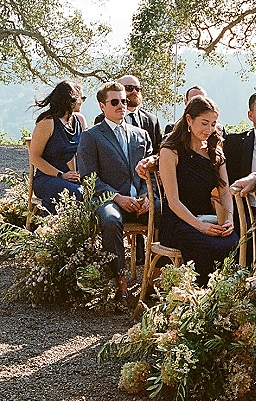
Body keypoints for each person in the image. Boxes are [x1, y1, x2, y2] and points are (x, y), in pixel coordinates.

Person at [78, 82, 154, 304]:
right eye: (115, 102)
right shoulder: (91, 137)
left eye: (124, 101)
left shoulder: (141, 134)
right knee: (110, 219)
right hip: (109, 199)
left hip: (140, 198)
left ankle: (154, 280)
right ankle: (120, 283)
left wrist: (148, 196)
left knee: (167, 211)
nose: (121, 105)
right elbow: (89, 178)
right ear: (103, 106)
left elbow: (151, 173)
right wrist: (118, 197)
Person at [159, 96, 238, 286]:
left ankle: (225, 297)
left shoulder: (215, 152)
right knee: (206, 245)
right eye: (204, 123)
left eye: (213, 124)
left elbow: (225, 192)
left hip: (209, 218)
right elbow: (173, 201)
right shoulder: (170, 151)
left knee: (232, 241)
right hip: (178, 221)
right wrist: (200, 226)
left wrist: (228, 219)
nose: (209, 130)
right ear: (189, 119)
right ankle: (198, 298)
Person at [29, 81, 84, 212]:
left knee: (97, 191)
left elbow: (84, 152)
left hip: (73, 177)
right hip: (48, 178)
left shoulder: (80, 120)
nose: (82, 102)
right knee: (77, 192)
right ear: (71, 100)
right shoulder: (47, 122)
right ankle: (53, 226)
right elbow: (35, 157)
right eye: (82, 98)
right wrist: (61, 175)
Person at [95, 75, 163, 153]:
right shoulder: (103, 119)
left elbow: (158, 150)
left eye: (138, 89)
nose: (134, 91)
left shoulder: (152, 120)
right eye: (129, 88)